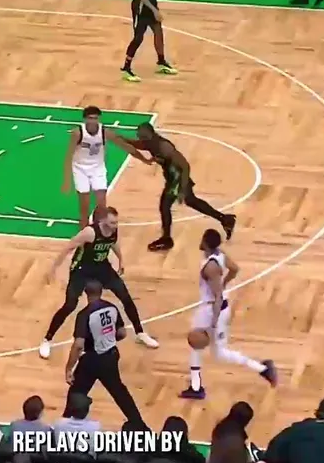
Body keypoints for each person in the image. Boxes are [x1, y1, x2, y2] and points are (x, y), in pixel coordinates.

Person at [39, 206, 158, 359]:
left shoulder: (113, 230)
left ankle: (140, 333)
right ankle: (47, 339)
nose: (115, 225)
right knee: (70, 305)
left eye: (116, 222)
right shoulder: (90, 233)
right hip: (82, 269)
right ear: (103, 221)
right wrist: (53, 269)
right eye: (112, 223)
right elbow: (69, 246)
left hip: (102, 267)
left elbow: (113, 243)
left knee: (125, 296)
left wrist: (121, 259)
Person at [182, 229, 278, 400]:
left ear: (205, 243)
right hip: (218, 309)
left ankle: (197, 387)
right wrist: (225, 282)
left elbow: (218, 296)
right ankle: (262, 369)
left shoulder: (211, 267)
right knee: (212, 351)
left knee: (201, 345)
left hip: (212, 310)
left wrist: (213, 322)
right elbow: (234, 269)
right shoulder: (220, 255)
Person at [134, 122, 236, 252]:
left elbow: (185, 166)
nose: (138, 135)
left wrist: (182, 189)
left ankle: (166, 239)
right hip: (173, 178)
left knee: (165, 205)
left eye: (140, 133)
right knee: (191, 201)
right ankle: (225, 219)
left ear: (148, 134)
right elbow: (138, 145)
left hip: (177, 179)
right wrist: (120, 139)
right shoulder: (150, 142)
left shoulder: (164, 146)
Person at [63, 279, 147, 429]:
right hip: (111, 356)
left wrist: (69, 368)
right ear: (101, 292)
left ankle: (63, 427)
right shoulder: (112, 308)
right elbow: (122, 333)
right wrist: (107, 339)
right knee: (120, 393)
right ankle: (140, 426)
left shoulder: (85, 314)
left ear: (85, 292)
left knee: (76, 394)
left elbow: (78, 345)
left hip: (91, 361)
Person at [62, 106, 150, 227]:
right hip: (80, 169)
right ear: (85, 119)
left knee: (102, 205)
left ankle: (100, 232)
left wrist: (144, 159)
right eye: (90, 118)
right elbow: (69, 156)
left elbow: (125, 146)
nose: (93, 121)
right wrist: (67, 180)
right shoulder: (77, 133)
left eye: (95, 118)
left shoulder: (105, 132)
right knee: (84, 208)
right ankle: (84, 234)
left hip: (97, 168)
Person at [121, 0, 177, 82]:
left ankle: (161, 62)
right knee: (138, 38)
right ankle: (126, 68)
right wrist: (154, 10)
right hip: (141, 6)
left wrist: (155, 7)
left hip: (150, 3)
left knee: (158, 31)